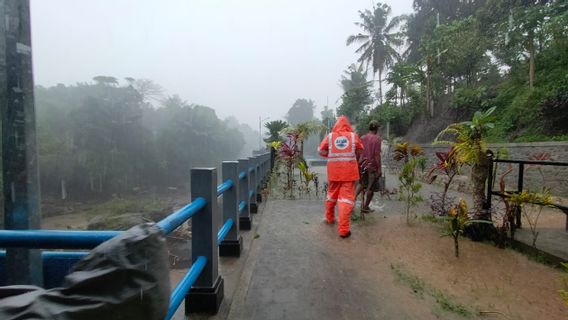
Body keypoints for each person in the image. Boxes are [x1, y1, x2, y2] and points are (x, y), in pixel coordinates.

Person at [318, 116, 363, 238]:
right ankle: (343, 230)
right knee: (346, 200)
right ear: (348, 125)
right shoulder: (353, 136)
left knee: (331, 196)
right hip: (348, 173)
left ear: (336, 125)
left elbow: (320, 151)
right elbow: (360, 150)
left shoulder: (330, 136)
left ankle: (330, 218)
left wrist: (331, 155)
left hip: (333, 172)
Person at [356, 120, 382, 213]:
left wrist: (358, 164)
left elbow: (358, 152)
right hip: (372, 167)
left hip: (362, 165)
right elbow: (376, 155)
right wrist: (379, 169)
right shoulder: (377, 139)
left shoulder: (362, 137)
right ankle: (365, 207)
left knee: (361, 183)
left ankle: (351, 202)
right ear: (377, 129)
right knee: (371, 188)